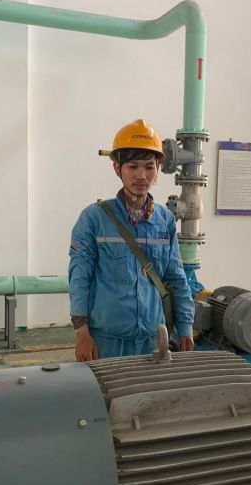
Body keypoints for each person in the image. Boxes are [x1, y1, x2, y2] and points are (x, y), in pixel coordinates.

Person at [68, 119, 195, 361]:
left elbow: (177, 278)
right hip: (106, 340)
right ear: (117, 168)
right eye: (133, 167)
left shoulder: (165, 221)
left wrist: (186, 326)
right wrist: (81, 333)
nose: (141, 176)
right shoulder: (94, 218)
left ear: (158, 168)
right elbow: (79, 278)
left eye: (149, 167)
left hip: (153, 339)